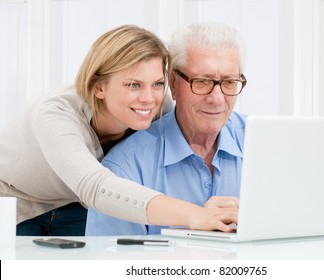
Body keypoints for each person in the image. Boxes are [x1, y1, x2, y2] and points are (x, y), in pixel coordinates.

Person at [0, 24, 238, 236]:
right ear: (98, 87)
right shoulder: (54, 115)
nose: (148, 98)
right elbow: (95, 186)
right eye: (133, 85)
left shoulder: (158, 107)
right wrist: (195, 215)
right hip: (18, 204)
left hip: (78, 205)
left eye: (157, 84)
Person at [86, 22, 247, 235]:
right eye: (201, 82)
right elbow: (112, 261)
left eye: (229, 82)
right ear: (173, 82)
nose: (217, 99)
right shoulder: (125, 167)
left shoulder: (264, 143)